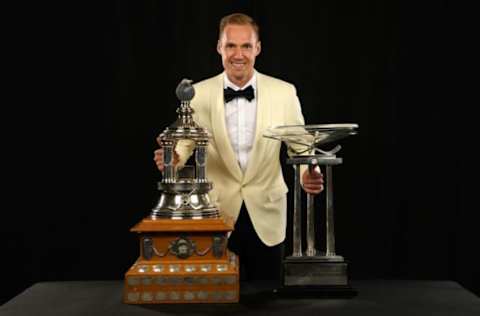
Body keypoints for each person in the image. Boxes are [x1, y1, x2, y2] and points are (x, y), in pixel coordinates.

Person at [154, 13, 324, 283]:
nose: (238, 54)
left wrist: (307, 172)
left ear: (257, 48)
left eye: (246, 46)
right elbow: (184, 143)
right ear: (219, 47)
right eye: (231, 45)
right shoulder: (198, 93)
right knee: (217, 299)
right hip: (216, 213)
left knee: (267, 298)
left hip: (267, 211)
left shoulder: (284, 92)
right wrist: (172, 159)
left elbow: (300, 146)